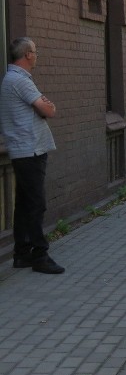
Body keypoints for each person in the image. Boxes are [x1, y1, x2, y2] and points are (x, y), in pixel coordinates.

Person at [0, 37, 64, 274]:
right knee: (37, 203)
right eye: (35, 52)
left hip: (24, 149)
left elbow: (44, 108)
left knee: (25, 204)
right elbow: (48, 109)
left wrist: (45, 107)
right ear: (27, 55)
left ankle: (21, 254)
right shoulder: (20, 81)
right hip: (29, 150)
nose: (37, 56)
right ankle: (39, 255)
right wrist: (47, 106)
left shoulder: (13, 79)